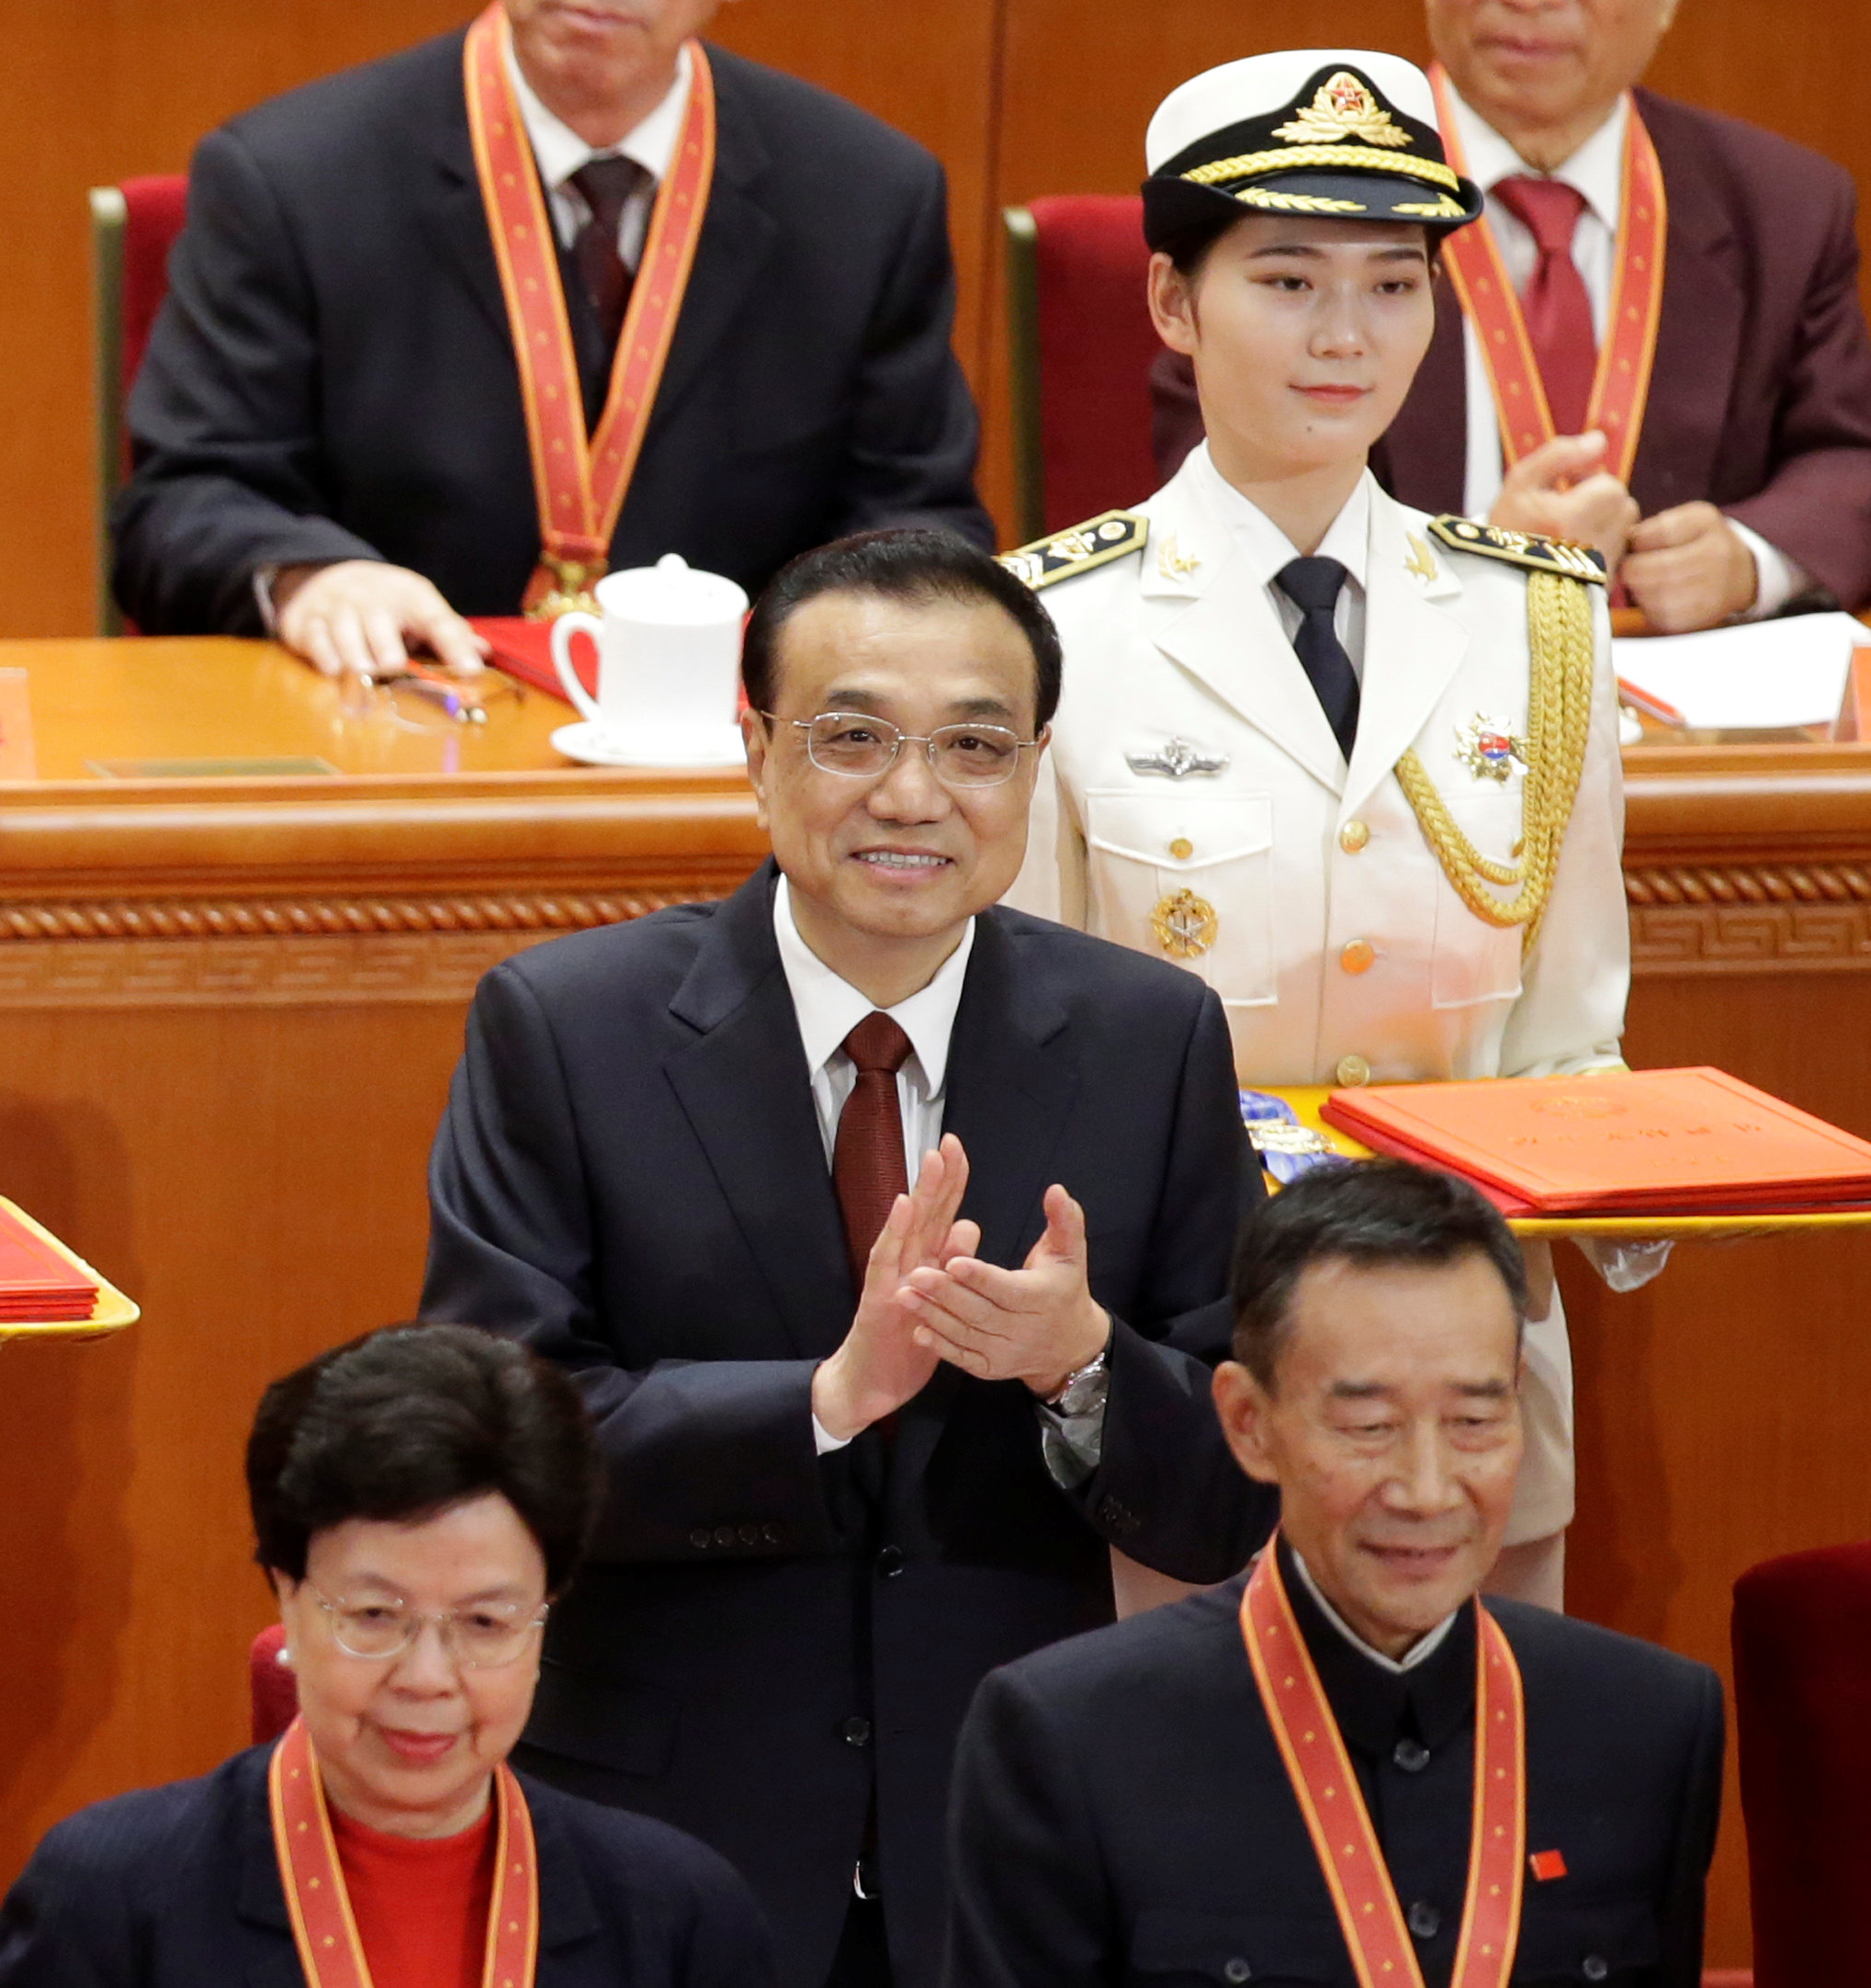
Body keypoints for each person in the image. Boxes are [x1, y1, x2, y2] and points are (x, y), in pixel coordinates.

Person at [423, 527, 1273, 1987]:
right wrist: (821, 1401)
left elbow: (1236, 1495)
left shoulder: (1152, 1038)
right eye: (853, 736)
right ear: (753, 747)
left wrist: (1081, 1367)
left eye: (974, 746)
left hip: (1011, 1840)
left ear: (1037, 768)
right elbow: (503, 1445)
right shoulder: (564, 1030)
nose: (911, 795)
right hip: (664, 1834)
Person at [1011, 50, 1627, 1615]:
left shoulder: (1541, 620)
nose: (1348, 334)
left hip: (1465, 1380)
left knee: (1480, 1821)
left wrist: (1644, 1186)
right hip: (1191, 1378)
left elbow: (1569, 1037)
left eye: (1393, 282)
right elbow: (1023, 1057)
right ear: (1169, 302)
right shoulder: (1044, 626)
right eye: (1286, 278)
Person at [945, 1160, 1723, 1987]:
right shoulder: (1071, 1740)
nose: (1426, 1492)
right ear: (1249, 1423)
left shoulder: (1650, 1728)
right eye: (1368, 1425)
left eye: (1473, 1421)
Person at [115, 0, 992, 676]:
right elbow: (181, 502)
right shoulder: (290, 177)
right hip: (394, 729)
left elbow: (920, 519)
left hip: (737, 780)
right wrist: (310, 575)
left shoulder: (866, 196)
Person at [0, 1323, 780, 1988]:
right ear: (286, 1594)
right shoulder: (111, 1901)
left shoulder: (678, 1918)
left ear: (546, 1616)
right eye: (374, 1615)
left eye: (485, 1624)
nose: (427, 1678)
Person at [1151, 2, 1871, 627]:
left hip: (1682, 690)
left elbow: (1850, 453)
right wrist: (1473, 567)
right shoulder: (1274, 177)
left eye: (1393, 286)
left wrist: (1750, 560)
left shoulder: (1786, 206)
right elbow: (1228, 478)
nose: (1529, 3)